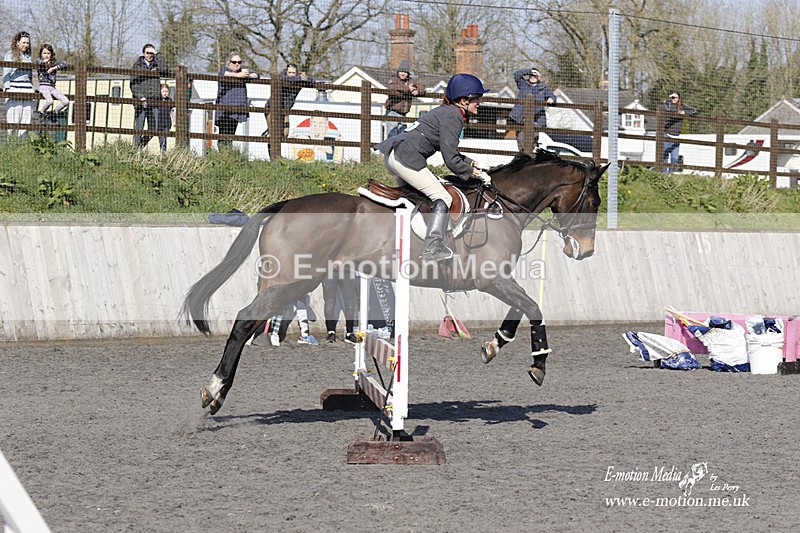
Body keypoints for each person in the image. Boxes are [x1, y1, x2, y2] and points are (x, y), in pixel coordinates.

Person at [374, 73, 492, 263]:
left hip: (397, 155)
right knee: (443, 198)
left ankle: (412, 240)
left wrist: (474, 163)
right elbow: (451, 160)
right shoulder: (453, 116)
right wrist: (474, 174)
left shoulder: (447, 111)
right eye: (477, 99)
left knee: (420, 197)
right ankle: (432, 248)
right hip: (406, 159)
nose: (479, 103)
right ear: (463, 100)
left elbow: (451, 152)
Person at [130, 43, 170, 149]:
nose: (150, 55)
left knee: (154, 128)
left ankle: (139, 147)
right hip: (141, 101)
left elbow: (165, 70)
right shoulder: (137, 66)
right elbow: (133, 84)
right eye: (147, 53)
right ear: (143, 53)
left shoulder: (157, 65)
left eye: (151, 53)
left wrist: (158, 54)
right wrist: (140, 97)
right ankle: (134, 151)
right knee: (139, 127)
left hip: (155, 101)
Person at [215, 52, 258, 148]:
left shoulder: (242, 73)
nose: (237, 64)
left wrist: (248, 75)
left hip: (237, 109)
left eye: (239, 62)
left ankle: (228, 153)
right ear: (229, 62)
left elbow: (257, 74)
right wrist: (238, 75)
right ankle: (222, 154)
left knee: (231, 135)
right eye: (234, 62)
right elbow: (223, 74)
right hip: (225, 110)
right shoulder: (225, 70)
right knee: (223, 135)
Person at [508, 67, 556, 152]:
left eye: (535, 75)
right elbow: (517, 74)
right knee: (521, 140)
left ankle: (530, 155)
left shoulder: (543, 88)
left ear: (539, 77)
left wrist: (551, 99)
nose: (533, 77)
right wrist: (529, 71)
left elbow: (553, 97)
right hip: (521, 119)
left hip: (536, 119)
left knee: (532, 141)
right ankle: (523, 156)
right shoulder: (523, 84)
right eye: (531, 75)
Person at [265, 63, 315, 139]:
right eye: (289, 72)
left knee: (285, 134)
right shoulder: (282, 76)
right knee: (273, 134)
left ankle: (269, 131)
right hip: (272, 108)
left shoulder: (299, 80)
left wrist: (306, 78)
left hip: (285, 109)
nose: (291, 75)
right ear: (286, 72)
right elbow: (285, 78)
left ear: (297, 73)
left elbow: (313, 81)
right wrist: (299, 78)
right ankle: (269, 134)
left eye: (293, 73)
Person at [3, 31, 34, 136]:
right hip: (15, 88)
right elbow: (6, 73)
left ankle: (23, 143)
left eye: (27, 43)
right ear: (17, 42)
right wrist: (7, 89)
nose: (26, 45)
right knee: (14, 118)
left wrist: (32, 87)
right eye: (23, 42)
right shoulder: (10, 55)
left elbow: (30, 75)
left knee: (26, 119)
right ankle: (12, 142)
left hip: (27, 89)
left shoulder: (28, 56)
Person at [662, 91, 697, 173]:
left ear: (679, 98)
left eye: (675, 97)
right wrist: (669, 100)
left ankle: (670, 174)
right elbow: (666, 108)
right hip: (667, 135)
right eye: (672, 97)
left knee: (674, 158)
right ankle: (664, 174)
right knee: (664, 157)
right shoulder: (667, 105)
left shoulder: (682, 106)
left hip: (676, 137)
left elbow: (694, 110)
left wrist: (685, 112)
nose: (673, 99)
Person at [384, 60, 420, 139]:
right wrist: (408, 89)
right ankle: (390, 147)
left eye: (405, 72)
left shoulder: (411, 81)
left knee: (402, 135)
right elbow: (392, 87)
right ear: (398, 72)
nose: (403, 73)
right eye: (401, 71)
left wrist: (418, 91)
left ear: (408, 73)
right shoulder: (394, 79)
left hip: (403, 113)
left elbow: (421, 86)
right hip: (392, 111)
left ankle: (398, 148)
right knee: (392, 134)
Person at [35, 44, 69, 124]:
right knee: (50, 101)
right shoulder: (39, 61)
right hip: (43, 86)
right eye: (44, 53)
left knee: (66, 101)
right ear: (41, 54)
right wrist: (44, 62)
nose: (46, 55)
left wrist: (54, 68)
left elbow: (64, 64)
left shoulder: (54, 62)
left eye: (48, 53)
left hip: (52, 87)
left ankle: (55, 112)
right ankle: (42, 113)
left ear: (51, 54)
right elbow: (38, 62)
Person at [322, 271, 358, 344]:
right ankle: (331, 332)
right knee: (330, 302)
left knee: (350, 302)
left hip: (347, 270)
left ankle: (349, 333)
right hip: (330, 270)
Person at [156, 83, 175, 153]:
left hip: (167, 122)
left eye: (166, 91)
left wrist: (174, 121)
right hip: (158, 122)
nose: (165, 93)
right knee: (161, 138)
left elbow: (172, 111)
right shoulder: (157, 100)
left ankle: (163, 152)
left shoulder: (170, 100)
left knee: (164, 138)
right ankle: (162, 151)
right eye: (163, 91)